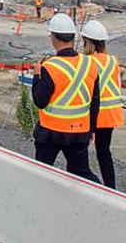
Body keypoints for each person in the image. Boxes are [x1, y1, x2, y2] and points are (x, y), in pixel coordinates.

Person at [31, 12, 100, 182]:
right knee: (81, 173)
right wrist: (91, 129)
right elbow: (95, 101)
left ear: (53, 37)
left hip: (51, 132)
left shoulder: (49, 67)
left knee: (42, 172)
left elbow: (40, 101)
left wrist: (36, 76)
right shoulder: (90, 64)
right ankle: (106, 200)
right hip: (80, 130)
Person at [82, 19, 123, 188]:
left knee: (80, 153)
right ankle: (111, 188)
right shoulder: (113, 61)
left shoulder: (86, 62)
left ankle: (88, 183)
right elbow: (118, 85)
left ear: (88, 42)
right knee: (104, 152)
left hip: (92, 115)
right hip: (110, 115)